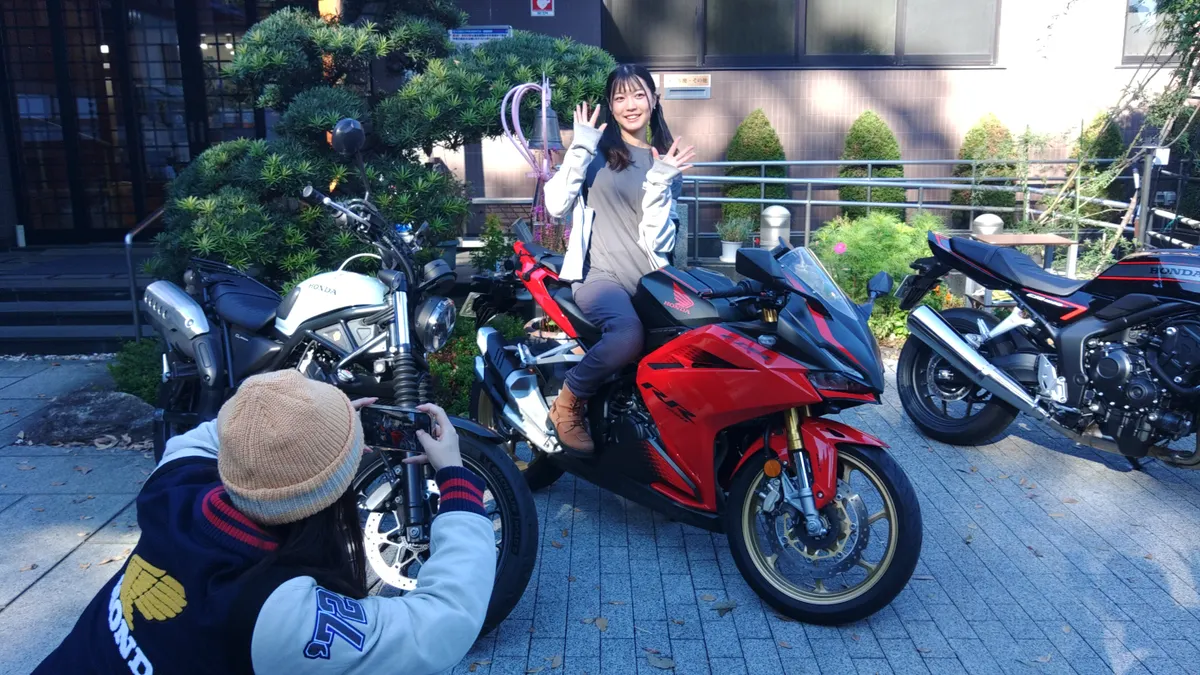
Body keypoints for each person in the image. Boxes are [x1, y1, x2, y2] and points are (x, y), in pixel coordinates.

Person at [34, 370, 495, 674]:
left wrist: (312, 427)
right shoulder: (277, 611)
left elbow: (227, 432)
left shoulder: (171, 490)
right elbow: (443, 622)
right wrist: (455, 479)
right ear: (332, 494)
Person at [542, 63, 695, 454]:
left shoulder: (666, 162)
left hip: (649, 281)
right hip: (600, 276)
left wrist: (660, 180)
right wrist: (580, 145)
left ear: (654, 100)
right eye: (620, 97)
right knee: (628, 335)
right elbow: (555, 205)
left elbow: (658, 239)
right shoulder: (594, 153)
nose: (631, 105)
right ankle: (568, 402)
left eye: (639, 95)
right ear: (610, 106)